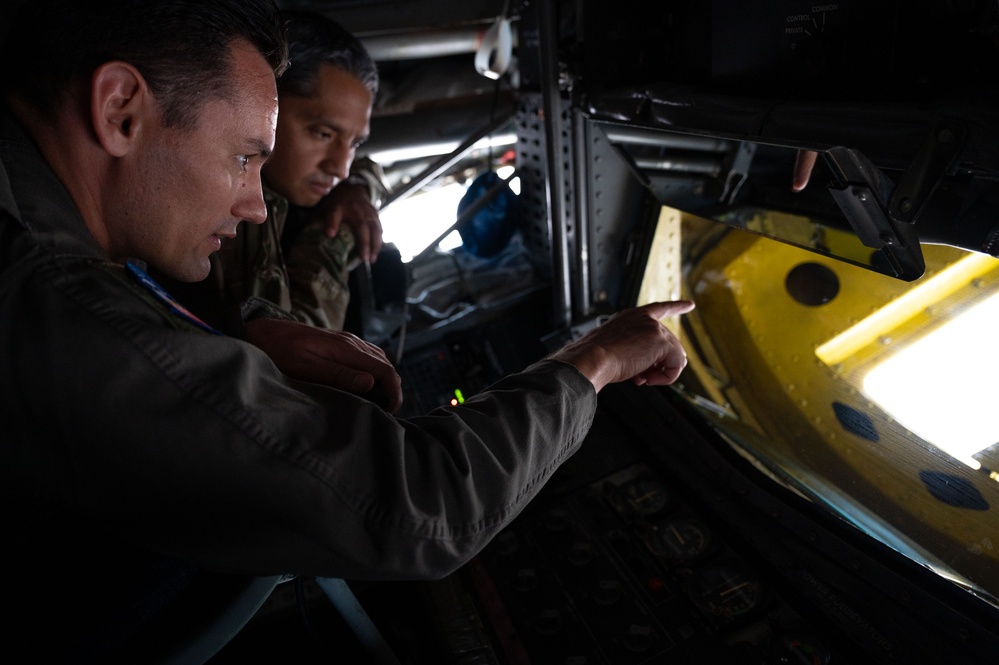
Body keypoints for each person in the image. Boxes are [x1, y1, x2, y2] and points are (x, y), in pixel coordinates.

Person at [0, 0, 694, 662]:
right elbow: (425, 508)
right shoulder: (58, 312)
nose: (251, 200)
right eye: (244, 157)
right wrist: (597, 355)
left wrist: (257, 325)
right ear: (119, 109)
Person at [155, 10, 386, 332]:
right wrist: (332, 238)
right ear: (266, 103)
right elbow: (298, 347)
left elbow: (363, 168)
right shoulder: (214, 212)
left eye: (355, 143)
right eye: (323, 134)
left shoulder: (311, 186)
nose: (341, 168)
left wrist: (360, 186)